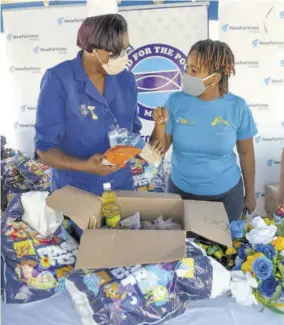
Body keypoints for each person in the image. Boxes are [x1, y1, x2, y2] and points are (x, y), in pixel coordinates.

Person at [151, 40, 257, 222]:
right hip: (181, 193)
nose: (186, 74)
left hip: (226, 196)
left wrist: (251, 194)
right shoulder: (175, 102)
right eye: (187, 68)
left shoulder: (237, 107)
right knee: (184, 248)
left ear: (215, 78)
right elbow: (158, 152)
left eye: (194, 70)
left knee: (224, 249)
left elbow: (246, 153)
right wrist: (159, 126)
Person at [35, 14, 142, 195]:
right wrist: (85, 166)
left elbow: (133, 133)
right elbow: (44, 151)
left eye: (125, 49)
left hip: (121, 187)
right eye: (115, 52)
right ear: (91, 48)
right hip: (75, 191)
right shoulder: (59, 80)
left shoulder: (126, 79)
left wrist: (151, 148)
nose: (123, 57)